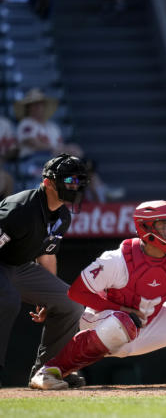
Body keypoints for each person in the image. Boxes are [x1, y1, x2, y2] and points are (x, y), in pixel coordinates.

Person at [29, 200, 166, 389]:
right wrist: (117, 309)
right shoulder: (116, 260)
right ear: (147, 229)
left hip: (144, 326)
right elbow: (77, 292)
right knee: (122, 322)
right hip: (103, 325)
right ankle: (50, 371)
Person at [0, 154, 88, 388]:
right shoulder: (20, 210)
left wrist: (47, 300)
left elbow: (47, 253)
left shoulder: (62, 216)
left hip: (20, 266)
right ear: (48, 182)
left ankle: (48, 371)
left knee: (70, 303)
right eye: (69, 181)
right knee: (6, 299)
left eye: (78, 181)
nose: (74, 187)